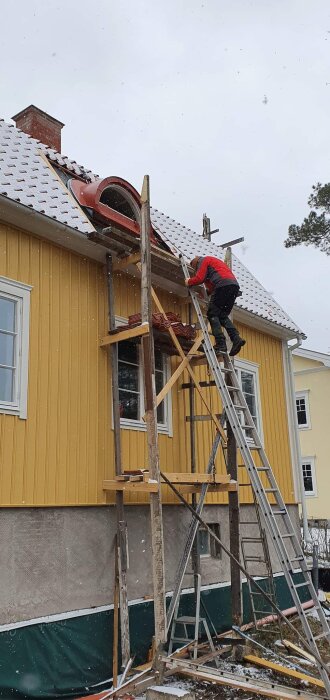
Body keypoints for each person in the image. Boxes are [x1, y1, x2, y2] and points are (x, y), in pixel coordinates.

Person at [185, 255, 246, 356]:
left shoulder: (203, 260)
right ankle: (236, 338)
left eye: (196, 268)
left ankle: (220, 344)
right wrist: (207, 293)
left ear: (196, 263)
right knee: (222, 316)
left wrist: (189, 281)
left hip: (222, 285)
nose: (197, 270)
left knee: (212, 314)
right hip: (233, 287)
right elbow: (212, 286)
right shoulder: (214, 264)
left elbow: (200, 278)